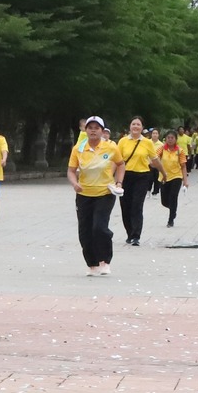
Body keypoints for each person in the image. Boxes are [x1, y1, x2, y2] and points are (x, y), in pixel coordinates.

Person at [67, 116, 125, 276]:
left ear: (102, 131)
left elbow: (120, 164)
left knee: (99, 227)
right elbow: (71, 171)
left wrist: (119, 182)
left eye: (96, 127)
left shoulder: (111, 148)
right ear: (85, 130)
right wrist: (74, 183)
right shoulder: (78, 149)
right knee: (85, 231)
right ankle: (92, 264)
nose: (93, 130)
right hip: (84, 194)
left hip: (104, 193)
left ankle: (104, 261)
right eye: (90, 127)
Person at [115, 118, 157, 246]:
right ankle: (129, 232)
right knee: (125, 206)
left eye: (138, 124)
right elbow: (116, 161)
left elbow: (154, 160)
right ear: (130, 126)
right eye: (133, 124)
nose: (135, 126)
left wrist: (163, 173)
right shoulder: (122, 142)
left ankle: (136, 236)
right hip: (125, 176)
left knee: (137, 205)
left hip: (142, 176)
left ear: (142, 127)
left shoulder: (147, 143)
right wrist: (116, 180)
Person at [156, 129, 186, 228]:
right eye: (168, 138)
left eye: (172, 138)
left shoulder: (180, 151)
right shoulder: (161, 149)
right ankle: (173, 209)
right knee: (164, 201)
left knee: (173, 196)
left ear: (176, 139)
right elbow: (154, 158)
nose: (170, 140)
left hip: (176, 176)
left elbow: (183, 166)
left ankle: (171, 219)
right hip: (164, 177)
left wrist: (185, 181)